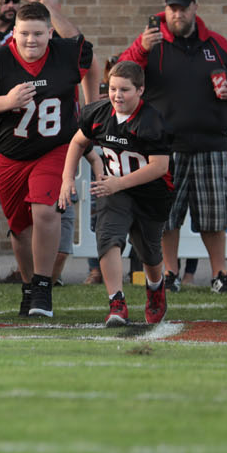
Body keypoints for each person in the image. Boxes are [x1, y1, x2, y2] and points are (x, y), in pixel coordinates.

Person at [116, 0, 227, 294]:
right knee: (167, 215)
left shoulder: (216, 44)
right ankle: (171, 273)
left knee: (214, 215)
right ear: (166, 10)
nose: (177, 13)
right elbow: (122, 75)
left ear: (194, 8)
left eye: (183, 7)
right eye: (172, 8)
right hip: (163, 145)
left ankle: (220, 274)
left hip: (210, 142)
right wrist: (141, 48)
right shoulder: (151, 43)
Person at [0, 0, 93, 320]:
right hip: (12, 154)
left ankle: (43, 286)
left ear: (50, 33)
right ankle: (28, 286)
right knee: (20, 229)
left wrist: (49, 4)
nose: (30, 40)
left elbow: (82, 45)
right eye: (23, 34)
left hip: (54, 148)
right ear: (13, 35)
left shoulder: (64, 54)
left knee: (45, 211)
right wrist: (6, 101)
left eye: (38, 33)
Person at [58, 60, 173, 327]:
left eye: (125, 90)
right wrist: (66, 178)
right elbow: (77, 142)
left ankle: (156, 288)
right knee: (108, 237)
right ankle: (116, 301)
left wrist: (118, 183)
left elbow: (160, 166)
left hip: (151, 192)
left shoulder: (153, 120)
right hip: (114, 188)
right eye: (112, 88)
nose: (117, 96)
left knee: (150, 253)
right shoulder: (98, 113)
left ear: (140, 90)